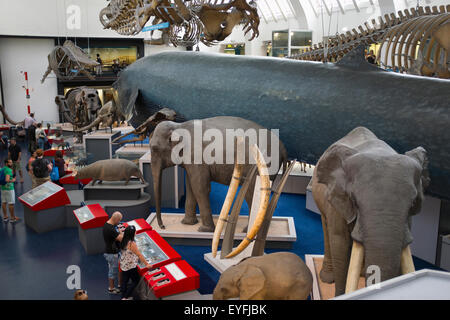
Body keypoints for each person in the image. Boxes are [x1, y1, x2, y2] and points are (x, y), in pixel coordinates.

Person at [119, 225, 151, 300]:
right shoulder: (132, 244)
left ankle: (123, 296)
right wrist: (147, 264)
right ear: (132, 234)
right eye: (134, 232)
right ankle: (125, 297)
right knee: (136, 281)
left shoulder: (123, 238)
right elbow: (139, 254)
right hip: (130, 266)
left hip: (124, 265)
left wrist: (120, 230)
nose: (136, 232)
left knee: (125, 281)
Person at [103, 212, 124, 294]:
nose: (119, 222)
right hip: (112, 254)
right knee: (112, 271)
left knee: (117, 268)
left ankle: (119, 284)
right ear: (116, 219)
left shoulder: (107, 225)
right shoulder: (111, 229)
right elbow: (121, 239)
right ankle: (111, 289)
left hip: (110, 251)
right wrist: (121, 232)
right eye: (119, 221)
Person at [1, 159, 19, 223]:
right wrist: (13, 180)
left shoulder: (2, 169)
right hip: (9, 189)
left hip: (3, 188)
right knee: (11, 204)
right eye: (10, 162)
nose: (11, 163)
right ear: (6, 163)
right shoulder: (8, 170)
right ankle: (12, 218)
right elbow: (7, 180)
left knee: (4, 202)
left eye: (11, 162)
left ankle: (5, 217)